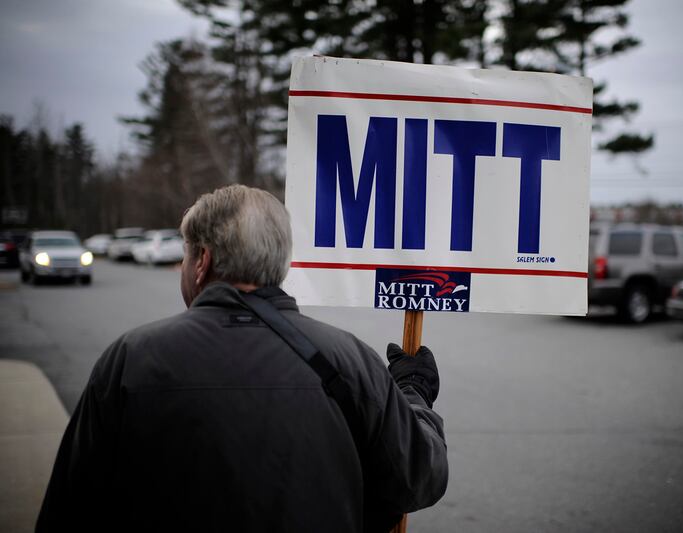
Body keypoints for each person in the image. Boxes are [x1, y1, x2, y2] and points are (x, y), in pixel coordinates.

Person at [37, 185, 447, 532]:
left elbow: (71, 509)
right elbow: (417, 478)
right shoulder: (350, 359)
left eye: (184, 255)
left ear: (203, 262)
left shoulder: (131, 359)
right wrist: (413, 397)